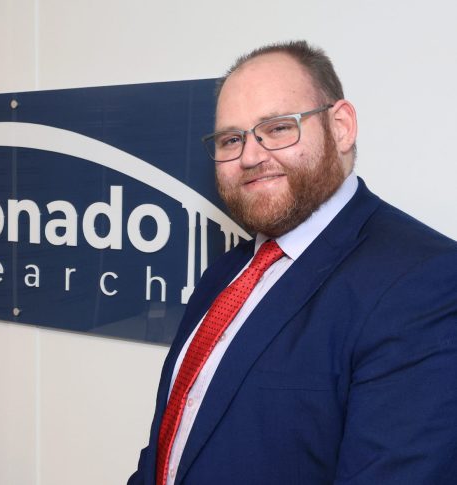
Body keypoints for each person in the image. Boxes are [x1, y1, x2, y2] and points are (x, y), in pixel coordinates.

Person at [129, 40, 457, 485]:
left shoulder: (425, 283)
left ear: (341, 127)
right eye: (232, 139)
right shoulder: (224, 273)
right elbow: (169, 451)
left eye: (279, 128)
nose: (250, 156)